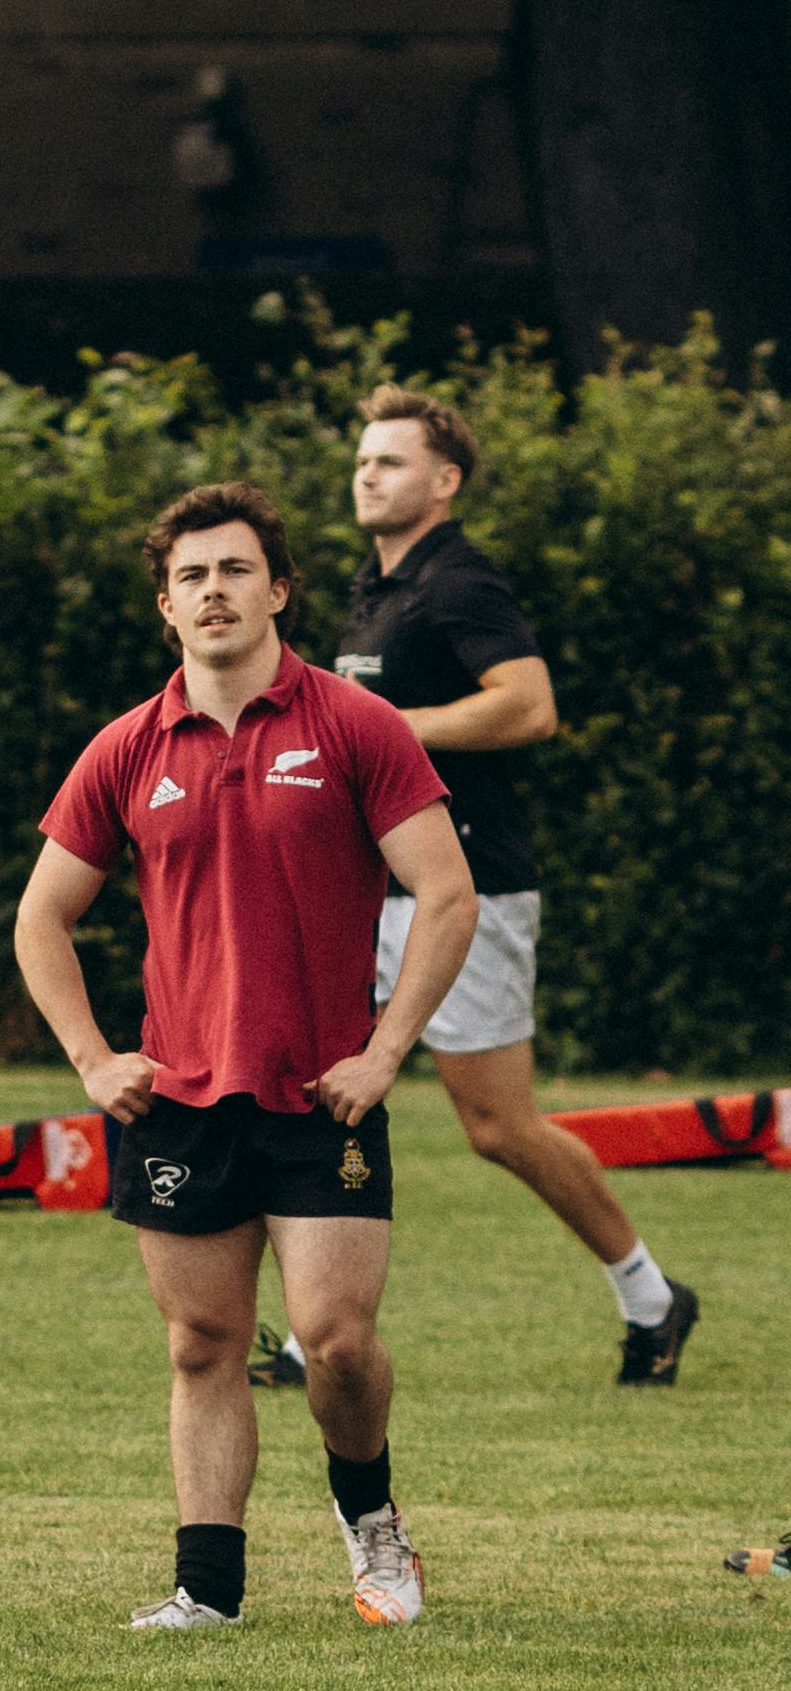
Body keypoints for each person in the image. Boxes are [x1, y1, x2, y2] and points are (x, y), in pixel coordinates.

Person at [14, 481, 477, 1630]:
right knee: (201, 1343)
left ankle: (368, 1518)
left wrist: (381, 1054)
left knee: (335, 1341)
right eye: (189, 576)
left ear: (277, 589)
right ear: (163, 606)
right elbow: (39, 918)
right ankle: (205, 1591)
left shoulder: (352, 725)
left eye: (232, 570)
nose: (211, 592)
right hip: (176, 1095)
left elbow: (446, 893)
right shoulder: (125, 747)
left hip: (321, 1091)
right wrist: (89, 1057)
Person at [253, 386, 695, 1392]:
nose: (366, 473)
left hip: (465, 884)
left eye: (390, 461)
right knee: (317, 1087)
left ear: (443, 482)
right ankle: (306, 1332)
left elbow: (527, 706)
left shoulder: (459, 584)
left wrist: (380, 726)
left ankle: (649, 1295)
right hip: (367, 883)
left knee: (495, 1126)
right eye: (361, 459)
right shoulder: (374, 588)